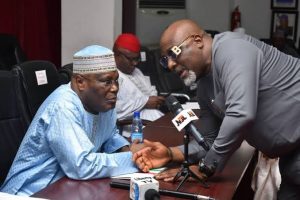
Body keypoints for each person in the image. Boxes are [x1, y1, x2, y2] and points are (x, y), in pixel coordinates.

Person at [133, 19, 300, 199]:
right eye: (165, 60)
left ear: (197, 40)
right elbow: (209, 140)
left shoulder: (232, 48)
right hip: (290, 157)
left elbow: (240, 114)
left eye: (174, 53)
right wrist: (171, 153)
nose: (171, 65)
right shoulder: (204, 85)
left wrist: (206, 167)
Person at [0, 45, 142, 196]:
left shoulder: (103, 100)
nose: (114, 88)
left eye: (116, 81)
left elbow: (110, 135)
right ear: (80, 82)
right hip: (32, 191)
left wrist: (127, 149)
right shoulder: (63, 106)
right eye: (107, 81)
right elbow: (82, 166)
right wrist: (133, 159)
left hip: (70, 186)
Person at [113, 33, 165, 122]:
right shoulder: (110, 76)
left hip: (154, 119)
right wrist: (145, 103)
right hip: (132, 127)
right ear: (117, 54)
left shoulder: (137, 71)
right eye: (130, 59)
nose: (135, 63)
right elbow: (115, 110)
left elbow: (150, 91)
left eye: (137, 59)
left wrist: (156, 100)